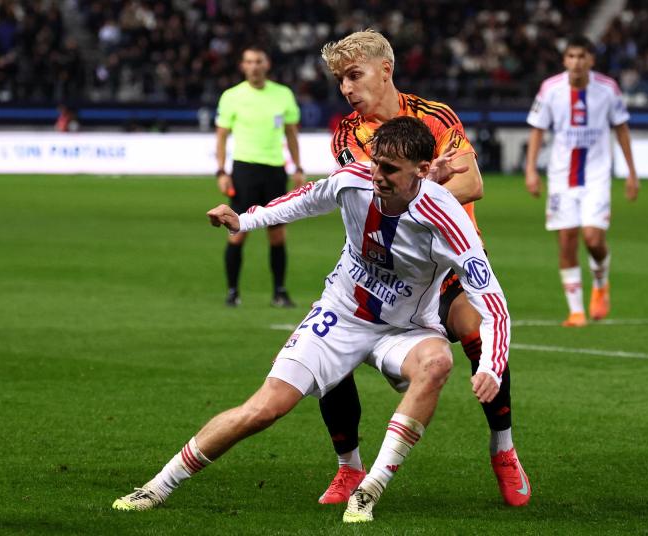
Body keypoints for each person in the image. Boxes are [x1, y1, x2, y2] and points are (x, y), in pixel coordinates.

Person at [113, 116, 512, 523]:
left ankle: (369, 490)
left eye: (390, 169)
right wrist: (244, 219)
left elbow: (493, 304)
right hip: (339, 315)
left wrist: (491, 366)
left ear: (422, 170)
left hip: (405, 330)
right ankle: (157, 486)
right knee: (264, 409)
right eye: (376, 162)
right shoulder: (354, 180)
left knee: (438, 361)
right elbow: (305, 199)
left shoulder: (447, 220)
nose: (377, 174)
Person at [314, 29, 530, 507]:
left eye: (354, 75)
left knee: (478, 331)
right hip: (388, 272)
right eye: (340, 80)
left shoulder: (435, 117)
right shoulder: (348, 136)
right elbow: (378, 198)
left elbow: (471, 183)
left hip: (448, 264)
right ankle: (349, 467)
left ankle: (503, 450)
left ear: (385, 70)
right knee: (327, 351)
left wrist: (415, 200)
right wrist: (425, 192)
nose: (346, 88)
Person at [525, 35, 639, 327]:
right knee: (566, 240)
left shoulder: (608, 89)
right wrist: (531, 170)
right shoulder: (550, 89)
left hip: (597, 176)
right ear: (565, 60)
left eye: (582, 56)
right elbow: (537, 130)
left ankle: (601, 282)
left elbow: (621, 129)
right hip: (561, 177)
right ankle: (576, 311)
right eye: (571, 56)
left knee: (593, 239)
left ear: (591, 59)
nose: (576, 62)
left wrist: (631, 173)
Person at [215, 45, 304, 308]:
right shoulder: (231, 96)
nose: (254, 66)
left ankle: (279, 291)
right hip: (244, 170)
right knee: (237, 232)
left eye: (258, 61)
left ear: (267, 64)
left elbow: (291, 134)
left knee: (277, 234)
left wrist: (298, 167)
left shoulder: (283, 94)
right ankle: (233, 292)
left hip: (275, 170)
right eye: (249, 61)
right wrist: (221, 170)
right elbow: (221, 137)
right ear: (243, 66)